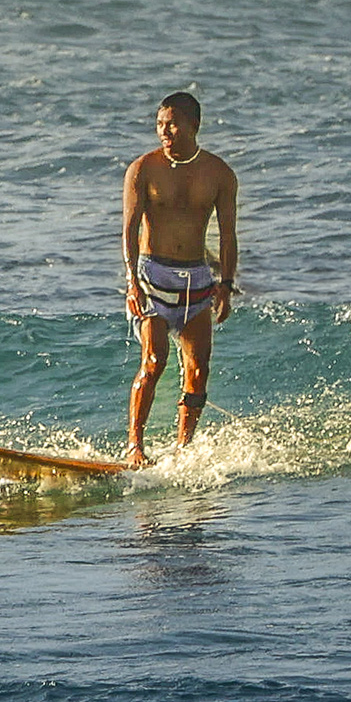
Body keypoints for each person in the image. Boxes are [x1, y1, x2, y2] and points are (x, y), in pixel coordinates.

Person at [121, 91, 238, 463]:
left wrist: (227, 285)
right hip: (152, 275)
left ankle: (182, 448)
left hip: (197, 281)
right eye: (159, 124)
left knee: (198, 369)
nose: (164, 131)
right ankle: (135, 446)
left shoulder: (219, 173)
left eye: (171, 124)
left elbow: (228, 234)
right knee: (154, 360)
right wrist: (131, 281)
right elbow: (128, 228)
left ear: (194, 125)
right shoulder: (142, 169)